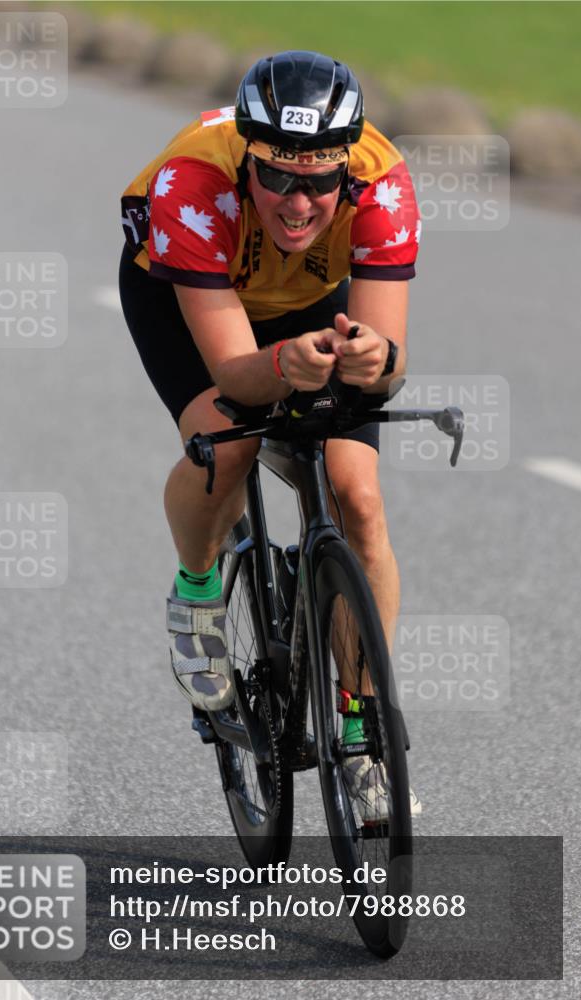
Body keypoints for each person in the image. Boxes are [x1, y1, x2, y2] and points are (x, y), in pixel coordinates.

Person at [119, 51, 421, 818]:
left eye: (321, 180)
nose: (299, 200)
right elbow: (235, 378)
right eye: (278, 176)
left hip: (307, 300)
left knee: (357, 499)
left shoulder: (384, 184)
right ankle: (195, 600)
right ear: (245, 159)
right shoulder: (192, 186)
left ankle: (360, 723)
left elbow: (387, 370)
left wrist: (370, 359)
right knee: (230, 442)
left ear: (346, 169)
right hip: (193, 294)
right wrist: (286, 364)